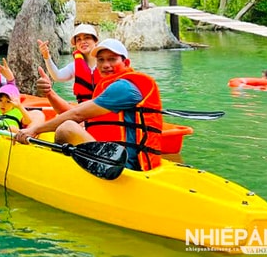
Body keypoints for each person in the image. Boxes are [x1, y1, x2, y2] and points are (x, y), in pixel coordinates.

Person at [17, 39, 163, 171]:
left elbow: (76, 115)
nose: (105, 65)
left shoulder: (124, 87)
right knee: (68, 123)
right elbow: (74, 112)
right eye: (100, 60)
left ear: (126, 63)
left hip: (126, 165)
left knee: (66, 128)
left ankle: (58, 171)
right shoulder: (111, 85)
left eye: (112, 59)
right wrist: (50, 93)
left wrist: (35, 129)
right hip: (112, 155)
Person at [37, 24, 99, 108]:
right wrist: (46, 56)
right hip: (84, 111)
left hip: (105, 109)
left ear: (95, 41)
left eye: (87, 37)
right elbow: (57, 76)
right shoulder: (75, 66)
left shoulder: (106, 64)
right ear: (76, 45)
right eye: (79, 40)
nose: (83, 42)